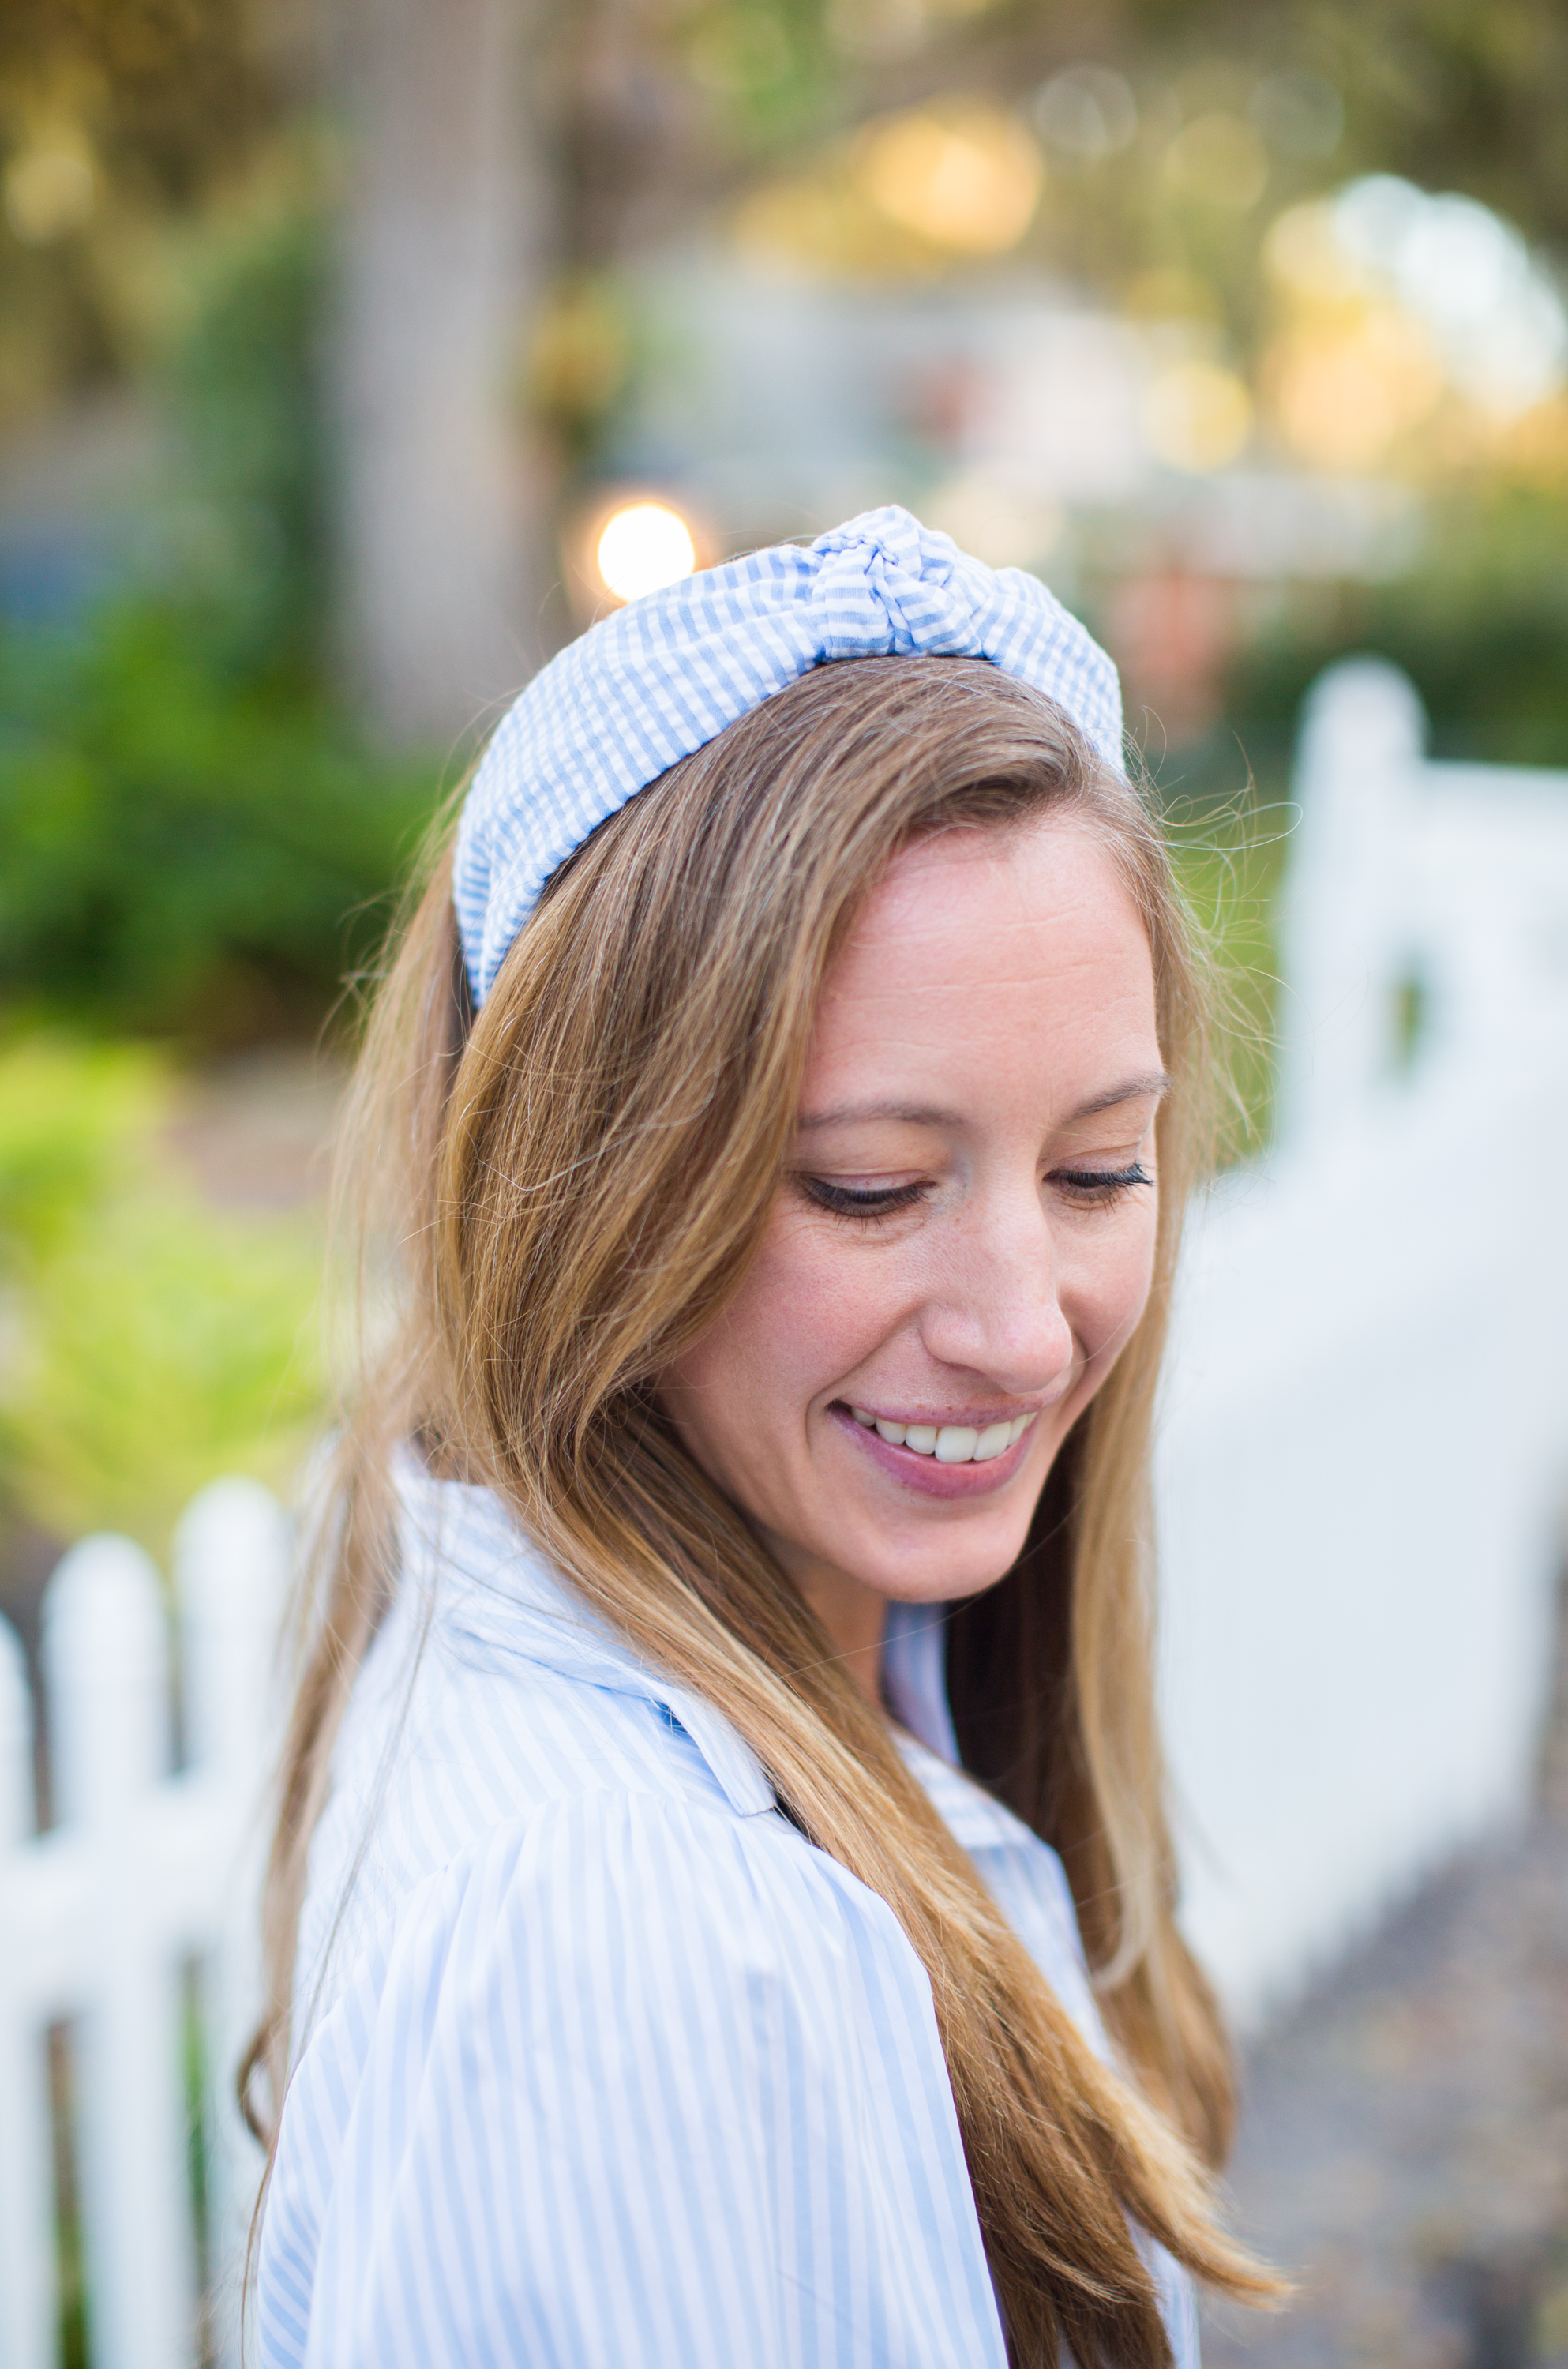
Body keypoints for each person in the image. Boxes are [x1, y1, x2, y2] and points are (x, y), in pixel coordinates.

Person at [249, 508, 1278, 2367]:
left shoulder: (838, 1661)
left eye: (1098, 1168)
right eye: (870, 1188)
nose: (1023, 1327)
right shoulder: (625, 1946)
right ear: (594, 1189)